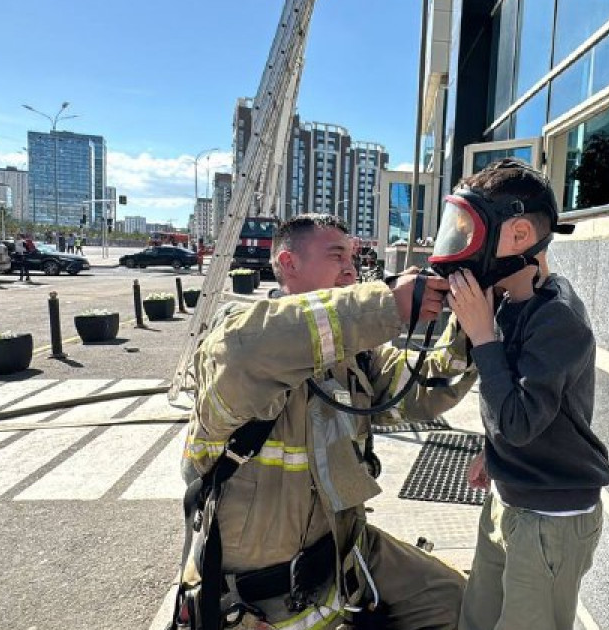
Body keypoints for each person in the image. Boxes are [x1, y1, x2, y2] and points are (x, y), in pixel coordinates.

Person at [178, 213, 478, 630]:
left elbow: (427, 383)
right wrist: (387, 304)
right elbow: (246, 351)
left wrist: (471, 320)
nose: (351, 269)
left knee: (457, 601)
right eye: (336, 255)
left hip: (344, 554)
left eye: (353, 258)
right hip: (260, 599)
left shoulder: (352, 358)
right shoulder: (238, 340)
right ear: (287, 264)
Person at [436, 159, 609, 630]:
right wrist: (490, 451)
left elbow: (518, 423)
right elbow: (514, 405)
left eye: (469, 232)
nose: (458, 248)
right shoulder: (512, 302)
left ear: (517, 236)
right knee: (477, 620)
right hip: (511, 498)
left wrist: (482, 337)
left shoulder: (557, 317)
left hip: (552, 518)